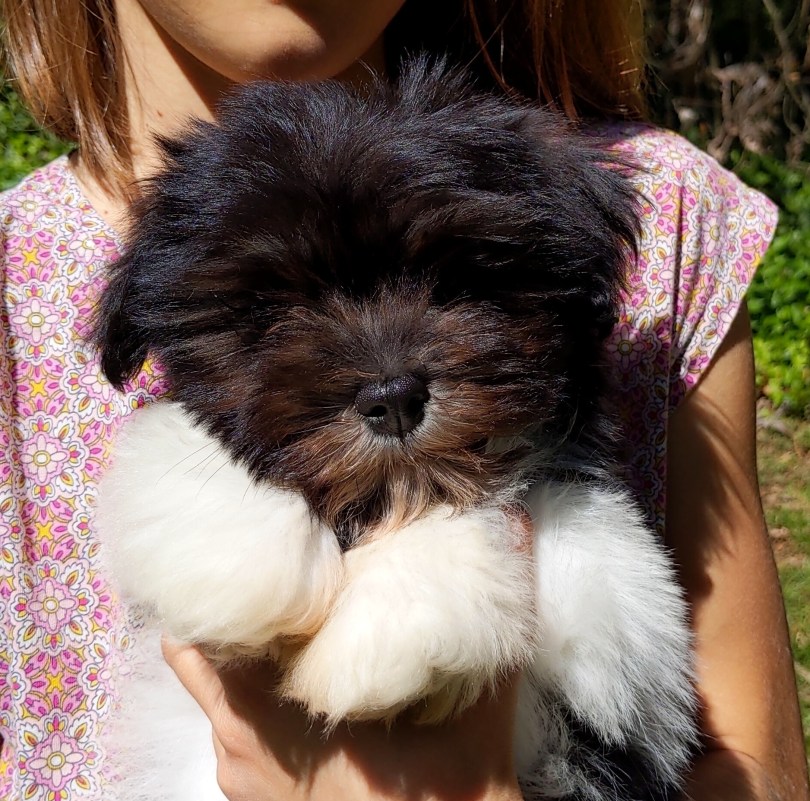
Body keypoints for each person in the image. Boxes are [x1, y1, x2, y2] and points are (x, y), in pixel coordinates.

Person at [0, 1, 806, 800]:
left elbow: (748, 766)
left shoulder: (670, 221)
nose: (387, 374)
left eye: (453, 287)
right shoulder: (32, 294)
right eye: (277, 315)